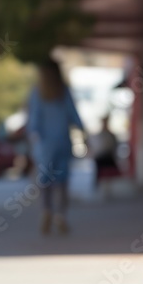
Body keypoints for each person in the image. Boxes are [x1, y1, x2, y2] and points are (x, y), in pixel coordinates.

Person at [27, 59, 84, 234]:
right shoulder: (63, 91)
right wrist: (83, 132)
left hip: (44, 145)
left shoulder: (38, 92)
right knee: (63, 182)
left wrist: (33, 141)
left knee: (45, 182)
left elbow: (34, 121)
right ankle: (61, 215)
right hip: (63, 142)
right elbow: (73, 114)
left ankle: (46, 210)